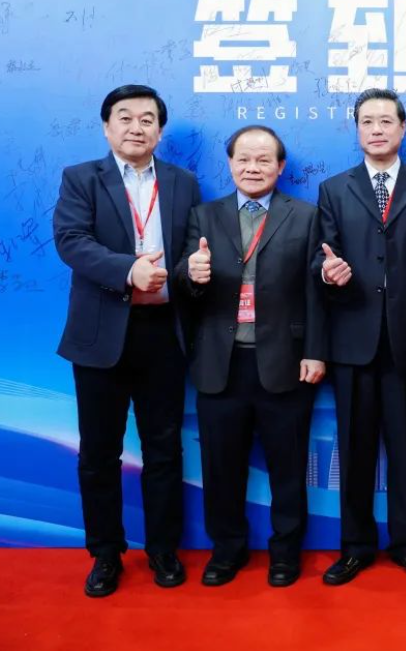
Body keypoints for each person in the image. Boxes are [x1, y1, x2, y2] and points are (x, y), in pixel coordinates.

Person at [54, 84, 201, 597]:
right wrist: (128, 270)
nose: (136, 127)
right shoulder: (81, 178)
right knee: (99, 452)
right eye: (125, 117)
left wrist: (193, 270)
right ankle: (105, 553)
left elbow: (189, 248)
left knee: (164, 449)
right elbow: (71, 241)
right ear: (106, 126)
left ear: (159, 130)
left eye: (147, 119)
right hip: (101, 333)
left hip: (163, 332)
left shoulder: (183, 182)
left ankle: (163, 549)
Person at [175, 125, 326, 588]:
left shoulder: (305, 216)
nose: (253, 168)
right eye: (243, 159)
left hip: (285, 361)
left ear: (280, 166)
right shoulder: (204, 216)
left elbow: (316, 292)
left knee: (288, 467)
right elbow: (183, 283)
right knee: (221, 467)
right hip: (220, 363)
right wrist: (191, 274)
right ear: (230, 164)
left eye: (263, 160)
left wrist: (315, 352)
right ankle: (227, 550)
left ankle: (286, 553)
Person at [312, 88, 406, 585]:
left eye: (386, 120)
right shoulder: (334, 188)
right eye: (367, 121)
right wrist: (328, 272)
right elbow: (321, 253)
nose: (376, 129)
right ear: (357, 129)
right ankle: (355, 546)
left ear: (403, 128)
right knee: (355, 448)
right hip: (352, 338)